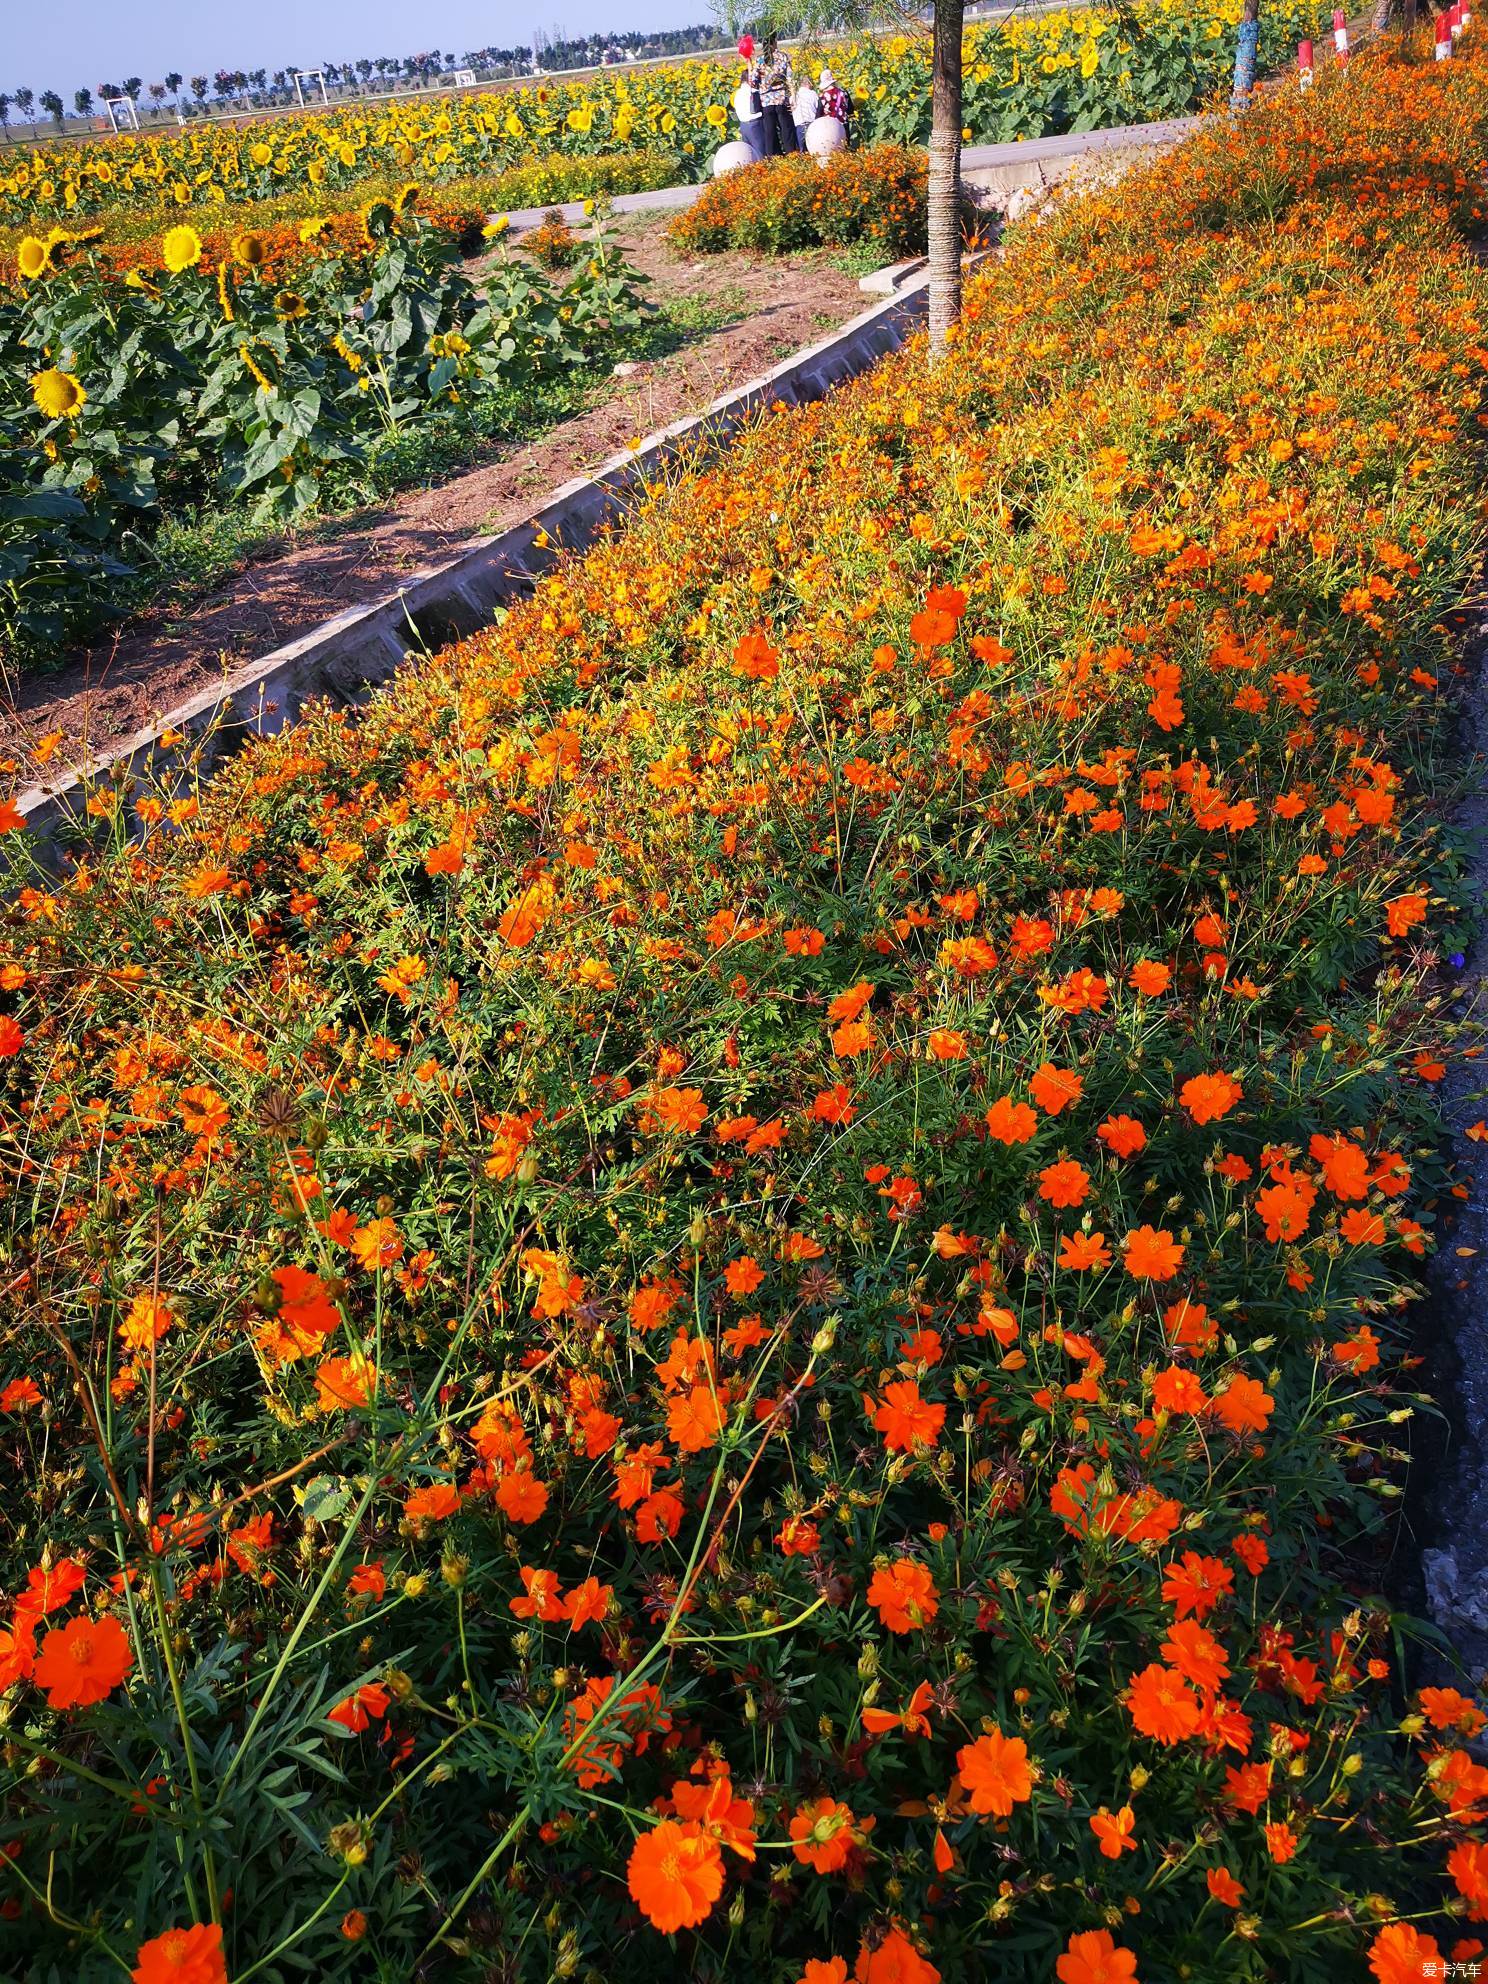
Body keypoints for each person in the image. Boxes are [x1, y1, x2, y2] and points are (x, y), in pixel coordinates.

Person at [756, 35, 797, 155]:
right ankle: (792, 155)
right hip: (781, 98)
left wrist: (763, 85)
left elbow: (753, 80)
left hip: (766, 101)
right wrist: (793, 94)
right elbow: (790, 77)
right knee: (786, 129)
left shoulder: (759, 60)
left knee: (770, 132)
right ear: (774, 43)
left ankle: (773, 158)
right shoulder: (782, 56)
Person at [733, 68, 765, 160]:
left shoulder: (737, 93)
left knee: (749, 154)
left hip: (743, 126)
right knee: (760, 154)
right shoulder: (753, 92)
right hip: (755, 124)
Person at [817, 67, 854, 144]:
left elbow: (818, 115)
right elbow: (850, 110)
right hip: (844, 125)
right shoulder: (844, 93)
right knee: (845, 149)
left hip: (830, 128)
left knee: (832, 150)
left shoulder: (822, 96)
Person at [792, 72, 819, 151]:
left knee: (803, 150)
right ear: (809, 83)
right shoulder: (813, 93)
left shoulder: (794, 96)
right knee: (814, 149)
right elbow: (818, 107)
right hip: (812, 124)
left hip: (799, 125)